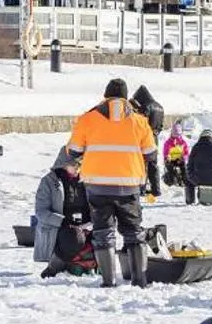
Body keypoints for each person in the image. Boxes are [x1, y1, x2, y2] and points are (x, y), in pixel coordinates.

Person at [66, 78, 157, 286]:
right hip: (129, 184)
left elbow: (74, 151)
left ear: (105, 96)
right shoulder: (139, 121)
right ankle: (139, 280)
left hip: (97, 185)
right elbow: (151, 153)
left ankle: (108, 281)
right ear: (126, 98)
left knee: (103, 232)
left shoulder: (87, 119)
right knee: (134, 232)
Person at [32, 146, 91, 275]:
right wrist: (62, 221)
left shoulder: (87, 180)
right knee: (74, 237)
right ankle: (53, 267)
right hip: (59, 228)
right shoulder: (48, 181)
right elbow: (41, 212)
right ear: (64, 163)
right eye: (75, 165)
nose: (78, 168)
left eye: (80, 165)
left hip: (85, 225)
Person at [132, 85, 169, 200]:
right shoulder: (160, 107)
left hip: (145, 138)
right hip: (155, 138)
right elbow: (161, 126)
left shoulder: (146, 106)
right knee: (153, 164)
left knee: (143, 164)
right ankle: (156, 189)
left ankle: (142, 189)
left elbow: (141, 123)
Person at [162, 122, 191, 193]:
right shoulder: (168, 142)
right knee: (170, 167)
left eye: (177, 135)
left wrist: (183, 157)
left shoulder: (183, 142)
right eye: (174, 134)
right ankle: (170, 183)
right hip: (170, 160)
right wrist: (167, 156)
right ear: (171, 133)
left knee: (184, 167)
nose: (176, 136)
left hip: (179, 159)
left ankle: (185, 182)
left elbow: (187, 153)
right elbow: (165, 152)